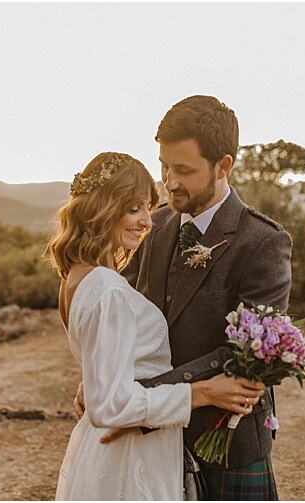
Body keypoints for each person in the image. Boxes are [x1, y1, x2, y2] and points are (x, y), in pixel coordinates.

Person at [51, 152, 264, 500]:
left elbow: (107, 370)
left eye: (147, 208)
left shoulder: (77, 277)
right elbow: (111, 408)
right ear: (104, 208)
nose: (147, 221)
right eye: (134, 209)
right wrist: (204, 392)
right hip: (129, 453)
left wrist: (99, 377)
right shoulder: (108, 289)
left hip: (111, 450)